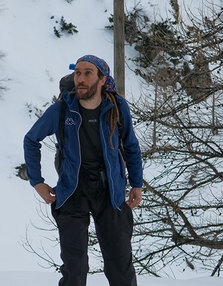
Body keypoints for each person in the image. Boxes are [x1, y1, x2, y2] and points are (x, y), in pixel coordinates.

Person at [23, 54, 143, 286]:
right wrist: (36, 181)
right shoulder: (61, 110)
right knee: (74, 267)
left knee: (120, 265)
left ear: (101, 79)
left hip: (111, 193)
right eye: (77, 72)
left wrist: (136, 184)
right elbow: (31, 140)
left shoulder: (116, 108)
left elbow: (131, 146)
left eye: (88, 73)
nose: (81, 78)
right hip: (72, 191)